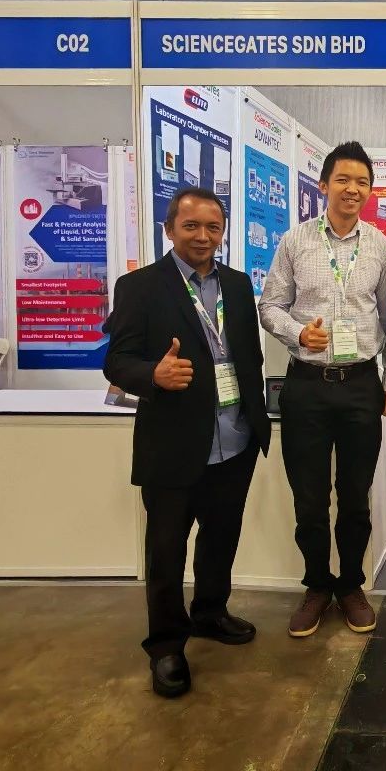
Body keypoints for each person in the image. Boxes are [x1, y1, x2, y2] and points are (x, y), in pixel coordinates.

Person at [103, 187, 271, 699]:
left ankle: (210, 612)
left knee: (221, 538)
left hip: (234, 438)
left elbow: (244, 356)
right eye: (191, 226)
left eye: (213, 227)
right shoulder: (139, 287)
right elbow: (117, 361)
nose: (203, 236)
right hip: (174, 444)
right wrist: (152, 375)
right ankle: (166, 645)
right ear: (170, 229)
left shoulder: (237, 285)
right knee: (166, 550)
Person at [259, 141, 386, 639]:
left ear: (370, 191)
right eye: (343, 179)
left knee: (356, 496)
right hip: (307, 386)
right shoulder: (295, 241)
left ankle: (351, 586)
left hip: (361, 385)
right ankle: (317, 586)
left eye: (362, 182)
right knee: (310, 497)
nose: (352, 189)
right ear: (323, 185)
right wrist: (298, 333)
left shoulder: (379, 246)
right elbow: (270, 306)